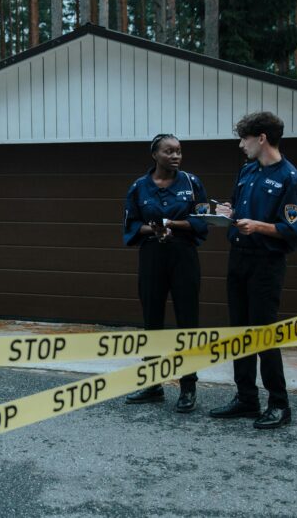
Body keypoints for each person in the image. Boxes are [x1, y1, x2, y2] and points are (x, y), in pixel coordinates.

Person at [210, 112, 297, 430]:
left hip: (266, 263)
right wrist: (228, 212)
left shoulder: (290, 178)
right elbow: (239, 208)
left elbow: (292, 230)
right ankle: (246, 399)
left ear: (261, 138)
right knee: (239, 332)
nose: (241, 145)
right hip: (238, 258)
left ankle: (279, 405)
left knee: (263, 334)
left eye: (245, 138)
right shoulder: (247, 170)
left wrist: (259, 226)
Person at [122, 134, 210, 413]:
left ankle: (188, 387)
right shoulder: (139, 187)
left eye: (179, 151)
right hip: (152, 255)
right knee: (152, 320)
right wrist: (155, 229)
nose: (176, 156)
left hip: (183, 255)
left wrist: (172, 224)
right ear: (155, 155)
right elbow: (131, 225)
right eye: (169, 151)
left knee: (187, 320)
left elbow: (202, 221)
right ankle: (153, 385)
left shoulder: (192, 183)